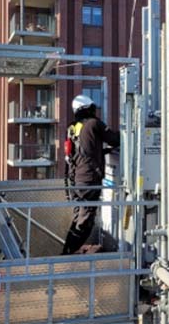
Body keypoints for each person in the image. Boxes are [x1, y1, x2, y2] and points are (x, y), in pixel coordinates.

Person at [62, 94, 120, 254]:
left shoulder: (72, 127)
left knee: (77, 219)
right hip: (89, 179)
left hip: (75, 180)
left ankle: (66, 252)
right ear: (88, 108)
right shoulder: (94, 124)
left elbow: (84, 150)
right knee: (85, 221)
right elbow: (115, 139)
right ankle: (66, 256)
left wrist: (102, 151)